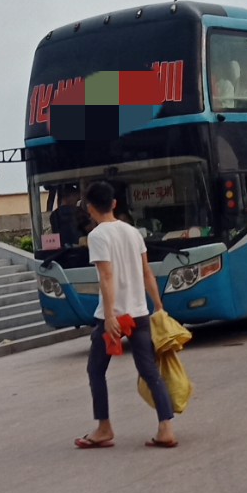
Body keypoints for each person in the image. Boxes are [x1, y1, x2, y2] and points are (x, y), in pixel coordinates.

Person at [74, 180, 177, 450]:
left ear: (90, 208)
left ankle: (104, 427)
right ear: (114, 204)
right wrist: (159, 305)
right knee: (149, 370)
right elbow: (146, 272)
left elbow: (106, 276)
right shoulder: (133, 232)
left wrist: (109, 316)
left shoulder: (98, 236)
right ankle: (166, 426)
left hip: (113, 317)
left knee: (96, 370)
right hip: (139, 312)